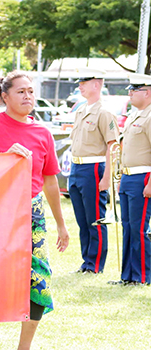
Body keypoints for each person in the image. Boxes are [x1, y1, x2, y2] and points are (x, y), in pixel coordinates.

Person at [0, 71, 69, 350]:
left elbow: (49, 180)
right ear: (5, 96)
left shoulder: (43, 132)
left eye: (31, 91)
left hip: (32, 215)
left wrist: (60, 223)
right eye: (21, 91)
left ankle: (25, 347)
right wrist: (5, 157)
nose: (28, 97)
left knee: (38, 280)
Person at [69, 67, 119, 274]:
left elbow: (112, 146)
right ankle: (86, 262)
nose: (80, 86)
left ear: (96, 84)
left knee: (94, 218)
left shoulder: (105, 112)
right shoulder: (80, 110)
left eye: (84, 82)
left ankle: (95, 264)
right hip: (76, 167)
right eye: (79, 82)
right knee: (82, 219)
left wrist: (106, 178)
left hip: (94, 167)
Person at [108, 73, 151, 286]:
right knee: (127, 226)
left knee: (138, 228)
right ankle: (128, 275)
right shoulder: (135, 115)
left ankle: (143, 275)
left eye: (135, 89)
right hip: (128, 177)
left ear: (148, 92)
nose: (130, 93)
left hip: (143, 178)